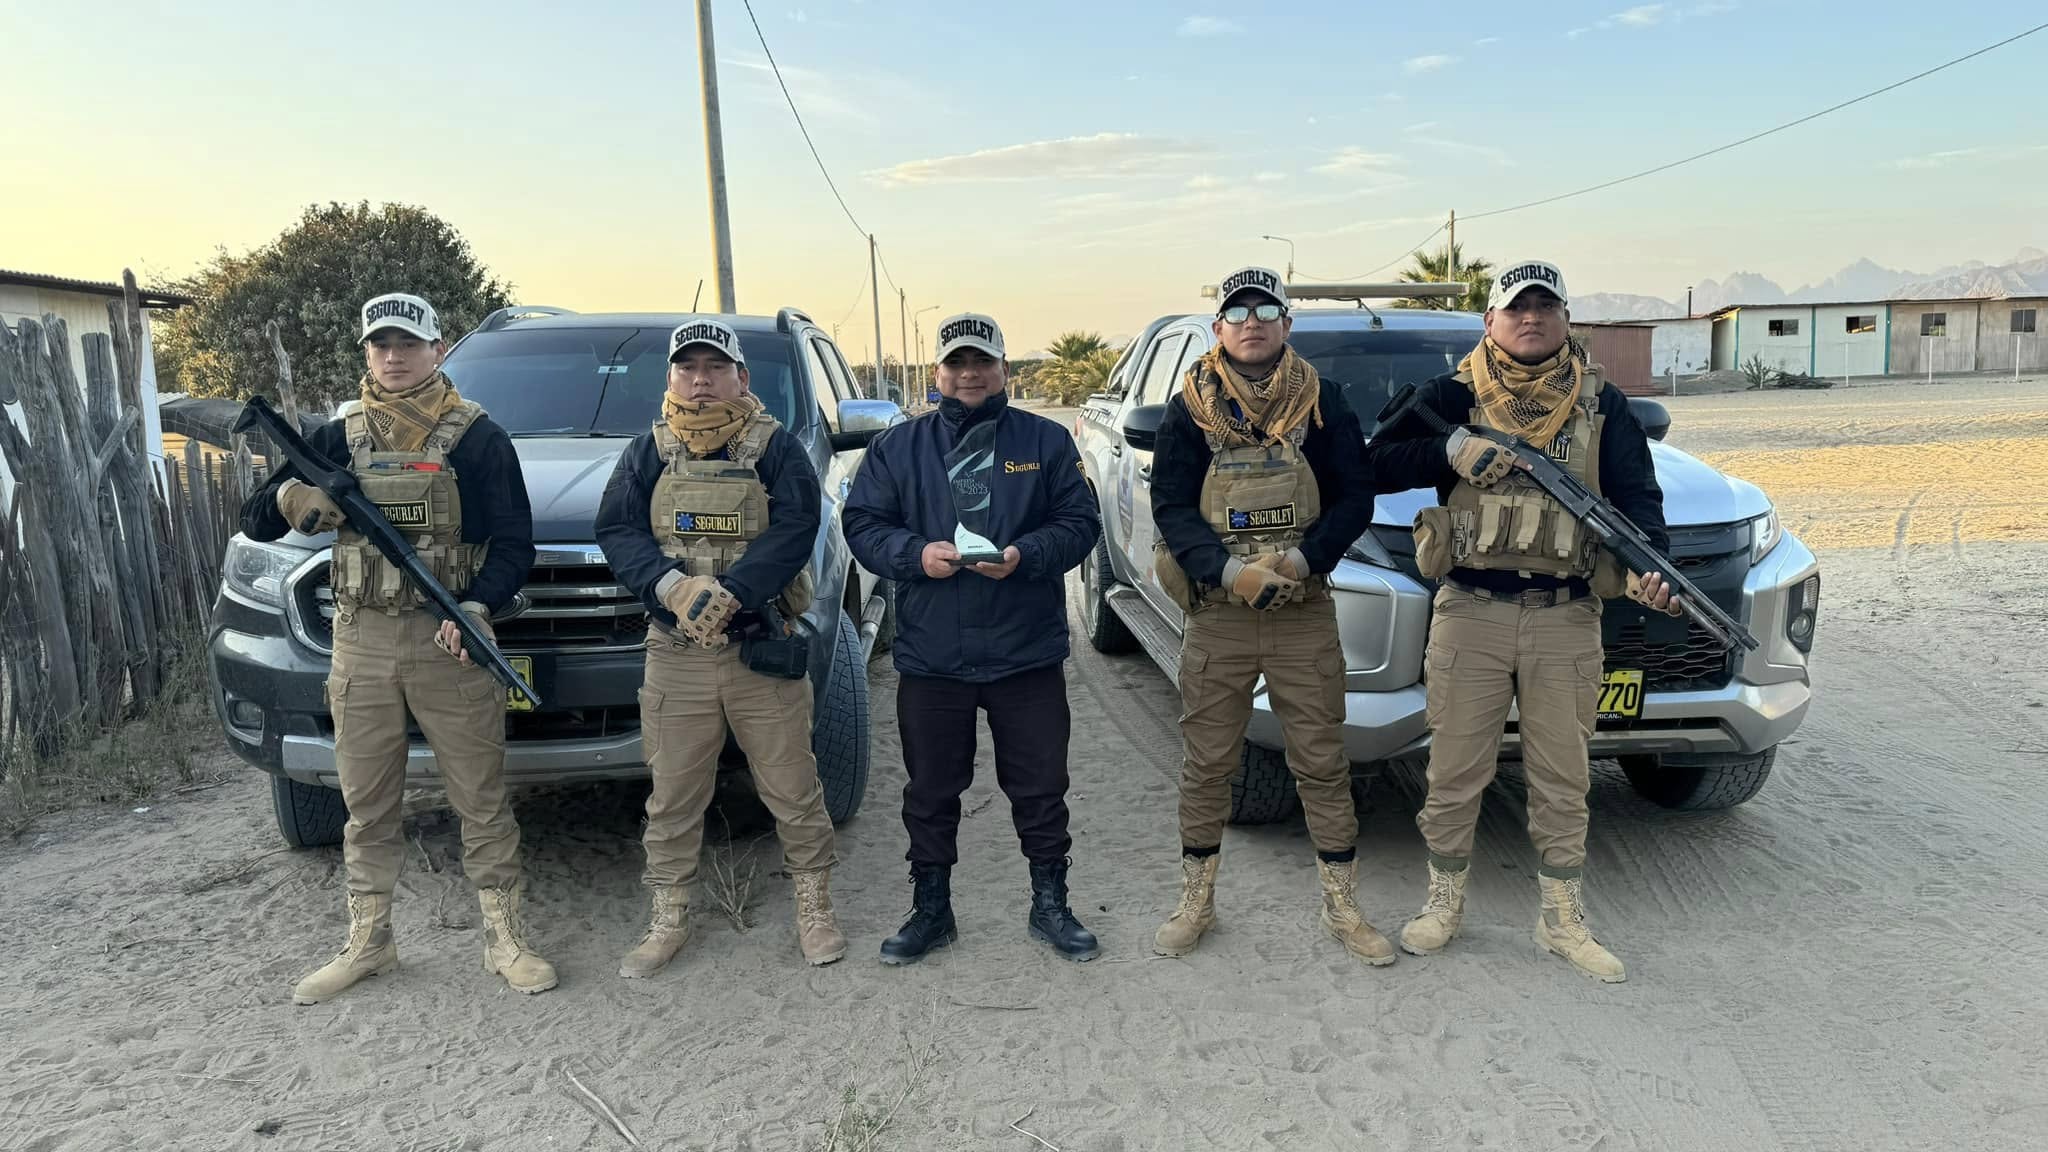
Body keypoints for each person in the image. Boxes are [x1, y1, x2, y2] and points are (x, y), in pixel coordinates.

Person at [1363, 258, 1684, 983]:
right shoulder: (1451, 395)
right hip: (1469, 611)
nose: (1531, 318)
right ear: (1491, 321)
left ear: (1566, 319)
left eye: (1545, 307)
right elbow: (1373, 464)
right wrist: (1448, 447)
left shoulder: (1604, 406)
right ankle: (1443, 904)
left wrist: (1653, 569)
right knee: (1454, 771)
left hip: (1564, 616)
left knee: (1563, 777)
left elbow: (1640, 504)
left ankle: (1560, 920)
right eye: (1516, 308)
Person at [242, 292, 552, 1004]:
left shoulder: (478, 438)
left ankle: (504, 938)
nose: (393, 357)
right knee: (368, 804)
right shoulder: (334, 437)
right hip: (362, 642)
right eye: (381, 345)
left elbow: (515, 543)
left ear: (438, 350)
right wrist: (296, 499)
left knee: (481, 799)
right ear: (367, 353)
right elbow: (256, 520)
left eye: (408, 344)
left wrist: (477, 605)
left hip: (449, 642)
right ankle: (370, 942)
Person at [1148, 266, 1394, 965]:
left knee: (1321, 762)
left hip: (1301, 613)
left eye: (1265, 310)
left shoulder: (1323, 402)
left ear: (1286, 324)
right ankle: (1196, 901)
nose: (1250, 321)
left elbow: (1354, 496)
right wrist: (1229, 572)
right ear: (1218, 328)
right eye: (1237, 311)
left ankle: (1343, 907)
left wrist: (1305, 559)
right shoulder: (1188, 410)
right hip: (1221, 615)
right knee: (1207, 764)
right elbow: (1171, 507)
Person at [842, 312, 1101, 964]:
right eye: (956, 362)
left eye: (982, 361)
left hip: (1026, 653)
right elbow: (862, 523)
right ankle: (932, 910)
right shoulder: (898, 448)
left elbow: (1080, 522)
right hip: (934, 657)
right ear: (937, 372)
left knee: (1041, 788)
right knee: (930, 792)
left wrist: (1025, 554)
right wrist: (913, 554)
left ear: (1003, 369)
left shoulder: (1044, 441)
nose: (970, 373)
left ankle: (1051, 904)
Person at [593, 318, 845, 976]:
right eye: (688, 368)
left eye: (715, 368)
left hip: (757, 646)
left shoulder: (776, 447)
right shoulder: (648, 450)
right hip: (676, 653)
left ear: (741, 378)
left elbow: (797, 526)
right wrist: (671, 587)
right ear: (672, 377)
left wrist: (733, 592)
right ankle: (669, 917)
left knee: (792, 786)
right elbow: (616, 529)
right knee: (673, 796)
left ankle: (815, 909)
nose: (700, 380)